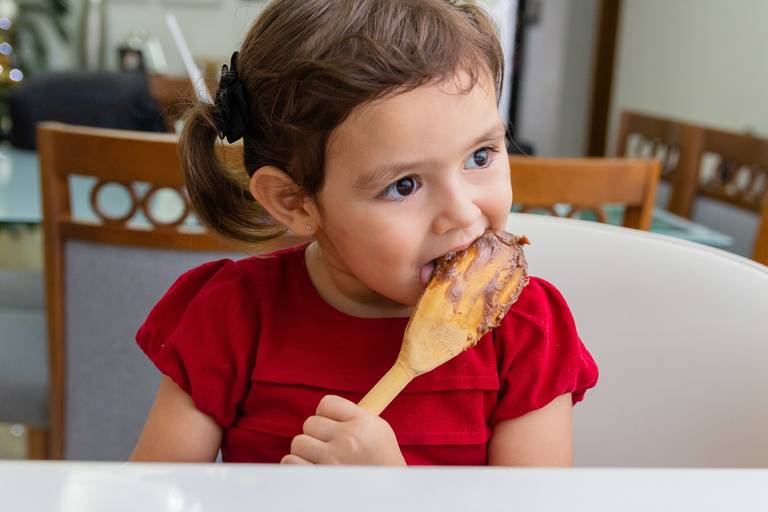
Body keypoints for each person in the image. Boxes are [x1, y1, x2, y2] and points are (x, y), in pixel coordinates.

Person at [130, 0, 598, 466]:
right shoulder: (231, 316)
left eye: (480, 156)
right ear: (294, 202)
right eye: (404, 185)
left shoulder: (526, 332)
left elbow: (531, 500)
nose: (461, 211)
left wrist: (390, 491)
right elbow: (154, 494)